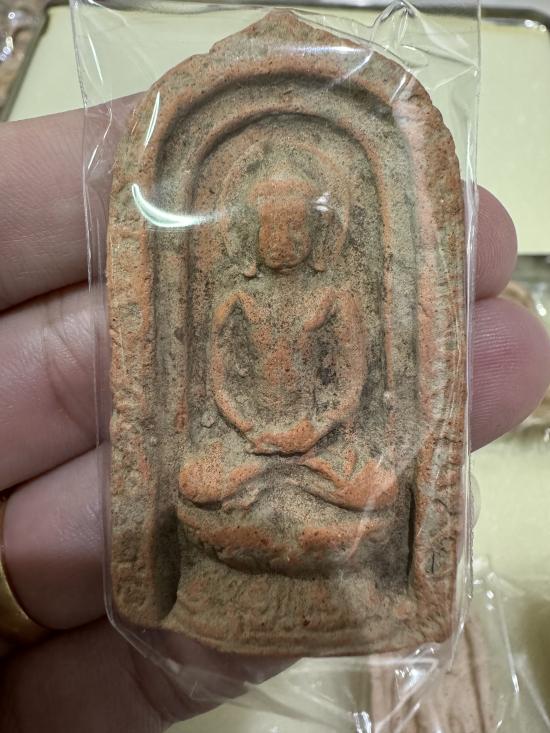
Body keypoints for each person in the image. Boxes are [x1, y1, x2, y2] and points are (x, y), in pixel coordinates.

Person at [0, 108, 549, 733]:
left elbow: (350, 382)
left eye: (295, 227)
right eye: (272, 227)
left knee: (378, 488)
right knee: (193, 488)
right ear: (252, 233)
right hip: (249, 443)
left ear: (319, 237)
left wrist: (315, 430)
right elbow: (220, 381)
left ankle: (305, 528)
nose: (283, 240)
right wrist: (251, 431)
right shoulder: (237, 297)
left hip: (323, 444)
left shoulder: (335, 296)